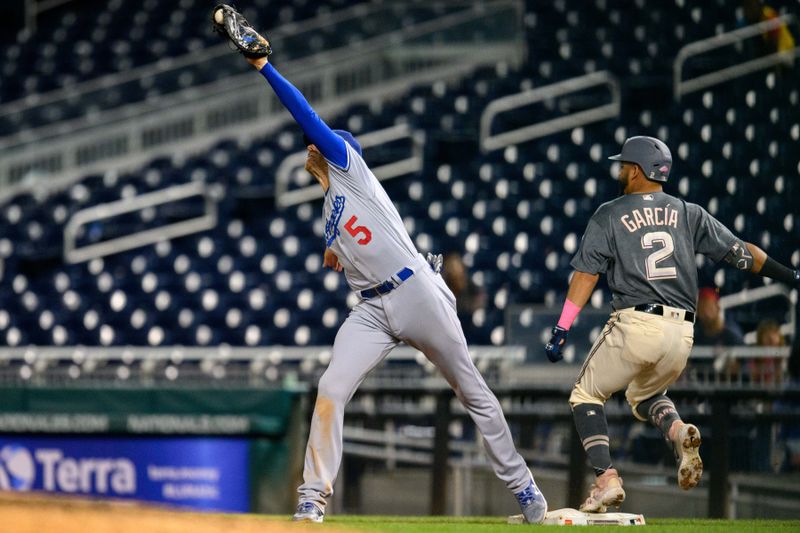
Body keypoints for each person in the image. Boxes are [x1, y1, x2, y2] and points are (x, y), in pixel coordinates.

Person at [211, 5, 548, 524]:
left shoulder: (352, 168)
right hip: (372, 308)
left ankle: (526, 490)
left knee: (471, 389)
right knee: (330, 388)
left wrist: (263, 68)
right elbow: (341, 255)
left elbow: (305, 115)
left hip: (415, 291)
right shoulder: (332, 203)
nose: (312, 146)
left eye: (322, 145)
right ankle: (312, 497)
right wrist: (329, 217)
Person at [543, 136, 800, 512]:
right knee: (644, 396)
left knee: (585, 395)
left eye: (624, 165)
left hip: (637, 322)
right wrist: (790, 275)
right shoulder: (688, 211)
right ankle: (678, 432)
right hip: (682, 333)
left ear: (636, 170)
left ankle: (606, 480)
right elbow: (742, 254)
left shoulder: (610, 213)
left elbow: (586, 275)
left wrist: (562, 328)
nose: (620, 171)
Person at [442, 251, 487, 319]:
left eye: (457, 266)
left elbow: (481, 300)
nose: (455, 270)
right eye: (452, 267)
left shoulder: (472, 283)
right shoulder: (444, 287)